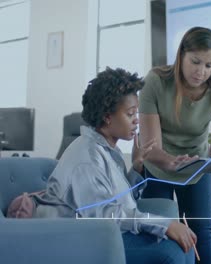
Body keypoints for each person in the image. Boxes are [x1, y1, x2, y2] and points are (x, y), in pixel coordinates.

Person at [34, 67, 196, 264]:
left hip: (104, 234)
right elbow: (105, 216)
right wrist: (164, 224)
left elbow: (115, 200)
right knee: (171, 254)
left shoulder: (108, 149)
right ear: (107, 117)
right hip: (80, 241)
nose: (137, 120)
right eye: (130, 114)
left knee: (183, 246)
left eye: (136, 112)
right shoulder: (87, 160)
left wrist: (136, 168)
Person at [138, 27, 211, 263]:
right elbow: (150, 148)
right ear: (181, 55)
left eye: (208, 65)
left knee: (201, 235)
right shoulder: (156, 81)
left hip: (196, 167)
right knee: (156, 234)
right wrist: (171, 162)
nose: (201, 71)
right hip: (157, 167)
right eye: (195, 61)